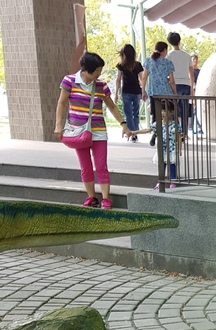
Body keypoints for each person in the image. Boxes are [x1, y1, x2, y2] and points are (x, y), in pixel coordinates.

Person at [54, 51, 132, 208]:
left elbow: (111, 106)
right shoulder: (69, 81)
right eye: (97, 70)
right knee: (85, 166)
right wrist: (58, 125)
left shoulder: (101, 86)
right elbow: (61, 103)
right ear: (86, 70)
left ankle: (105, 198)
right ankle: (91, 197)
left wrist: (123, 124)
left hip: (98, 131)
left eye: (100, 70)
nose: (99, 73)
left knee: (101, 165)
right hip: (78, 131)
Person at [140, 42, 176, 145]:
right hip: (166, 93)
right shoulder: (168, 63)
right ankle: (167, 134)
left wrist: (143, 91)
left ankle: (155, 133)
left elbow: (144, 77)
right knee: (167, 114)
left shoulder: (148, 61)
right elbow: (172, 81)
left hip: (153, 92)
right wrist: (175, 92)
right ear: (164, 50)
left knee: (155, 115)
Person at [166, 32, 194, 134]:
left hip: (174, 84)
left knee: (173, 110)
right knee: (184, 110)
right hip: (186, 84)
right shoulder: (187, 56)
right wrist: (192, 87)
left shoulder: (169, 56)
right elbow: (191, 73)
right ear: (179, 41)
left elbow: (167, 72)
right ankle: (184, 134)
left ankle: (176, 132)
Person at [115, 43, 143, 142]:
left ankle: (132, 133)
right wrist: (143, 90)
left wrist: (116, 93)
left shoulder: (121, 65)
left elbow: (118, 80)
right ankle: (135, 133)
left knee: (128, 114)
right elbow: (142, 79)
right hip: (136, 91)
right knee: (136, 114)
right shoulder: (138, 64)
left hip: (126, 91)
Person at [189, 53, 204, 135]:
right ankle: (191, 127)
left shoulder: (200, 71)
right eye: (193, 59)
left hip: (199, 91)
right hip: (192, 91)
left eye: (196, 59)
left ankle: (199, 126)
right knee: (192, 110)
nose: (195, 61)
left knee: (197, 110)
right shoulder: (190, 71)